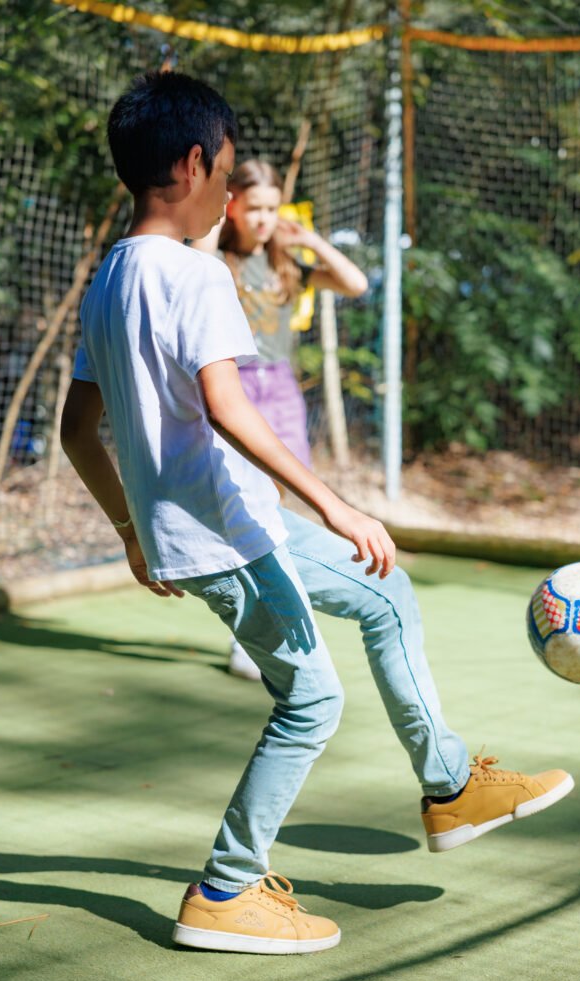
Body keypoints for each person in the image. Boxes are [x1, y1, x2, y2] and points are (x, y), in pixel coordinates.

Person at [60, 71, 575, 957]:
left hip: (221, 526)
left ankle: (451, 787)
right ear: (193, 166)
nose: (229, 190)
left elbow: (77, 431)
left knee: (386, 596)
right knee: (309, 702)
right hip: (230, 534)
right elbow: (227, 404)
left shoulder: (108, 278)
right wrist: (336, 505)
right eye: (225, 171)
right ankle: (224, 889)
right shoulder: (196, 274)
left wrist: (128, 531)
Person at [193, 159, 368, 680]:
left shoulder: (287, 264)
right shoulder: (215, 259)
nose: (265, 219)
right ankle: (248, 636)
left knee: (275, 503)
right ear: (233, 207)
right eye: (255, 208)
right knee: (244, 507)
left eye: (274, 208)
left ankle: (275, 624)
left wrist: (309, 239)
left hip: (282, 389)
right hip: (233, 387)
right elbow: (200, 247)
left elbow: (355, 283)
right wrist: (220, 213)